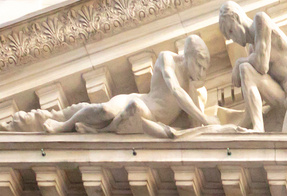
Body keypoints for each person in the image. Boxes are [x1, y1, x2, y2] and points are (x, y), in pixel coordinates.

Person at [0, 35, 217, 137]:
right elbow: (175, 91)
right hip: (142, 103)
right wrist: (204, 117)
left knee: (130, 114)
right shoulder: (167, 58)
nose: (201, 73)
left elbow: (194, 126)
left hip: (147, 116)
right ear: (189, 56)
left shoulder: (193, 89)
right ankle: (63, 126)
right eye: (200, 65)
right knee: (105, 110)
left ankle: (94, 130)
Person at [218, 1, 287, 133]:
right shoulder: (251, 51)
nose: (233, 38)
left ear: (236, 17)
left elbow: (262, 64)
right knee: (246, 70)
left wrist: (238, 63)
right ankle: (258, 128)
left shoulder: (260, 20)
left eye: (231, 31)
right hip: (283, 99)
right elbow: (251, 108)